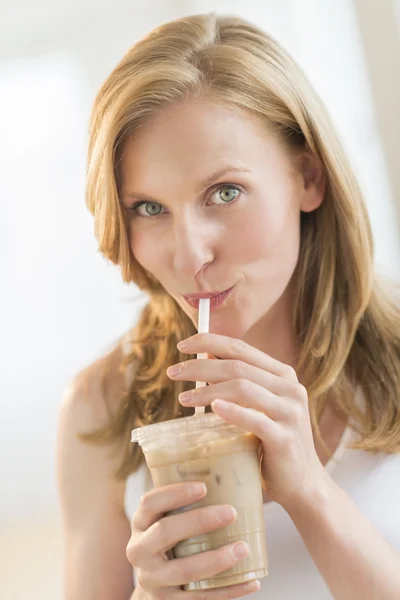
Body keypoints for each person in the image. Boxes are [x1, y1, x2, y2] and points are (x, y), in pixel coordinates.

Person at [56, 12, 400, 600]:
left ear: (308, 178)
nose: (190, 254)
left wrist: (310, 493)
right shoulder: (101, 408)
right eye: (149, 207)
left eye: (225, 192)